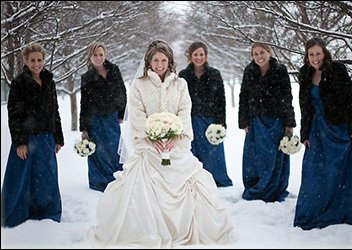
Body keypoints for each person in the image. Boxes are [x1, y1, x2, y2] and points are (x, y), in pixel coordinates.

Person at [88, 40, 234, 248]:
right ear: (148, 61)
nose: (160, 64)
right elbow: (138, 115)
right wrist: (150, 139)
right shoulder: (139, 84)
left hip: (176, 147)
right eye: (155, 60)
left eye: (164, 60)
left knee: (193, 184)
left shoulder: (180, 83)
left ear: (170, 61)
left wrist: (177, 136)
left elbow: (185, 111)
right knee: (142, 189)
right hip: (149, 149)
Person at [294, 37, 352, 230]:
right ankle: (312, 212)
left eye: (318, 53)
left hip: (338, 128)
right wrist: (304, 132)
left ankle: (341, 212)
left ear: (325, 53)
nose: (315, 58)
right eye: (311, 54)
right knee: (313, 172)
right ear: (307, 56)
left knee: (340, 172)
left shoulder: (337, 70)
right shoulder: (304, 73)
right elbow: (304, 106)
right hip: (315, 130)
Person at [1, 42, 64, 228]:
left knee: (47, 178)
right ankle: (16, 214)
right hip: (27, 139)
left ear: (44, 60)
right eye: (32, 60)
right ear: (26, 61)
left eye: (40, 59)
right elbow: (14, 115)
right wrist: (20, 142)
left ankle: (45, 213)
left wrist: (58, 137)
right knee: (21, 179)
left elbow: (55, 111)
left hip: (46, 138)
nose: (37, 63)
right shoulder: (19, 83)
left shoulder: (49, 82)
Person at [238, 42, 296, 202]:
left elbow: (287, 96)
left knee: (275, 157)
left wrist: (289, 122)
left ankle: (274, 189)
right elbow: (244, 96)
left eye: (262, 52)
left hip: (276, 121)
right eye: (255, 54)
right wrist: (244, 121)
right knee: (255, 158)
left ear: (269, 52)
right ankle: (257, 187)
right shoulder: (249, 71)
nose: (259, 56)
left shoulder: (280, 70)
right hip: (256, 121)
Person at [178, 41, 233, 187]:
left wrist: (221, 123)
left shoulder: (214, 74)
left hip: (211, 120)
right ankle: (195, 179)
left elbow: (221, 100)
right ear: (190, 56)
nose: (198, 57)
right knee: (193, 151)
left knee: (213, 152)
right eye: (195, 54)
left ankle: (217, 180)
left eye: (201, 54)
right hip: (191, 119)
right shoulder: (183, 75)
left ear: (206, 56)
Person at [79, 42, 127, 192]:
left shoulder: (114, 70)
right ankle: (100, 183)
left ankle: (118, 179)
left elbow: (122, 92)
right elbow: (84, 103)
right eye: (95, 55)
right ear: (90, 57)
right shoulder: (87, 77)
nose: (99, 58)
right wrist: (85, 128)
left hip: (112, 117)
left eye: (101, 54)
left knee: (115, 149)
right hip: (95, 120)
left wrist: (121, 114)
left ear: (105, 55)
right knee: (98, 152)